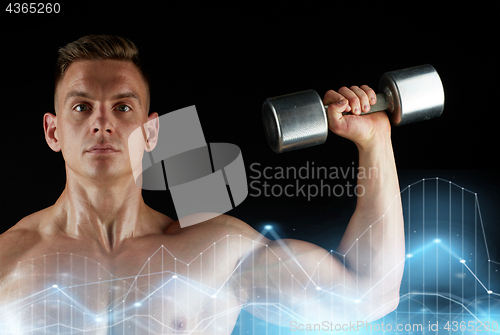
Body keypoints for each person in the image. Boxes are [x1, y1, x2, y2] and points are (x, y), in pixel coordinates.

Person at [0, 35, 404, 334]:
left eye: (122, 107)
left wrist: (375, 143)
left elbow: (370, 295)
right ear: (53, 132)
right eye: (81, 106)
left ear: (152, 132)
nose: (101, 123)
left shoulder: (213, 253)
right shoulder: (6, 260)